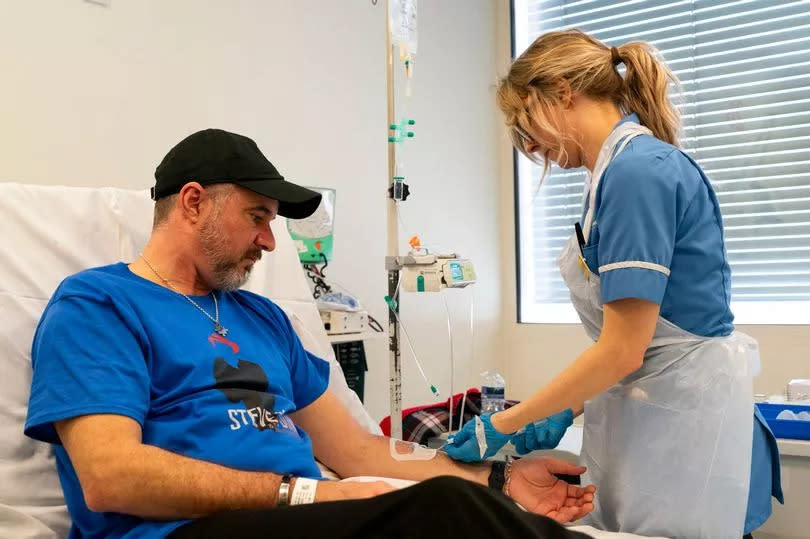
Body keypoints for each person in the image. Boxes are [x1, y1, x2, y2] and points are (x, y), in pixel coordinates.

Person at [24, 128, 596, 539]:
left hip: (302, 519)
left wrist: (497, 478)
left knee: (446, 505)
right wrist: (306, 493)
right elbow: (109, 476)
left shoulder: (263, 318)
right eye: (258, 216)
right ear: (194, 202)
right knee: (438, 512)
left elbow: (358, 450)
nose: (271, 241)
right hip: (184, 530)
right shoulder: (98, 305)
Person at [445, 30, 783, 538]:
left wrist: (505, 424)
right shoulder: (608, 179)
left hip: (687, 434)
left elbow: (624, 350)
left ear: (562, 91)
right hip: (660, 421)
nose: (527, 144)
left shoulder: (637, 173)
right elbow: (639, 348)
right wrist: (562, 408)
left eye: (524, 120)